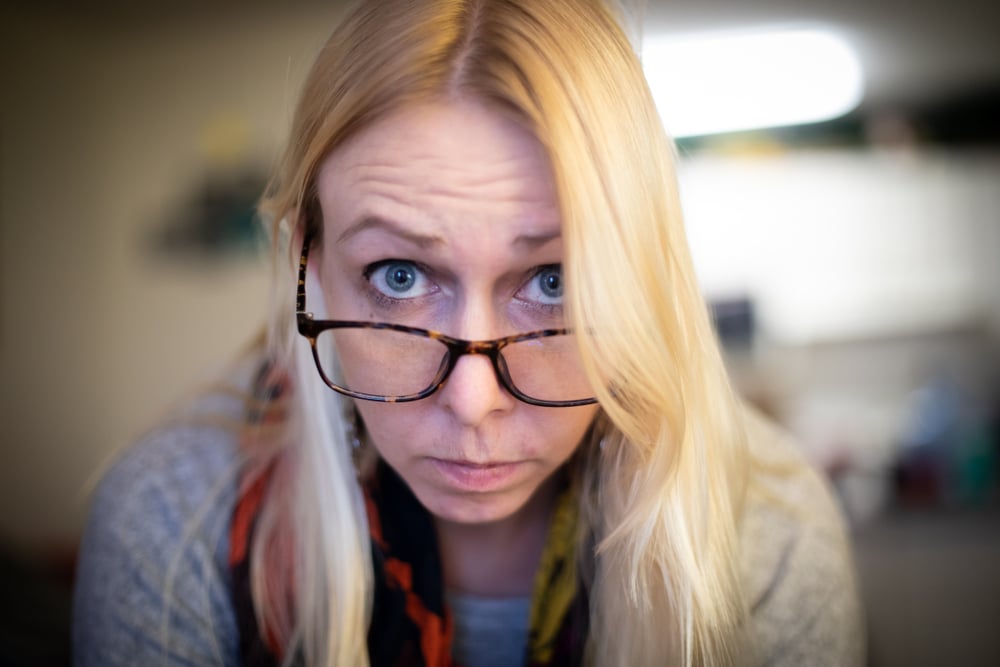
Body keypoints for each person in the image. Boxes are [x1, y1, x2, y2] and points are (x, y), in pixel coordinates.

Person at [73, 0, 864, 665]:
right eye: (400, 276)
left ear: (642, 284)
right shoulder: (178, 528)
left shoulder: (767, 533)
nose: (473, 399)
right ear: (307, 266)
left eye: (555, 281)